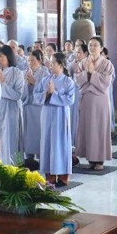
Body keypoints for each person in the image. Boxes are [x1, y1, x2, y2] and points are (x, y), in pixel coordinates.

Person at [74, 36, 114, 170]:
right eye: (90, 45)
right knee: (88, 128)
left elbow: (106, 82)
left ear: (101, 48)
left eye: (95, 45)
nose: (92, 47)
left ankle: (99, 160)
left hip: (100, 100)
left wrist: (92, 73)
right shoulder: (83, 62)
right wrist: (87, 74)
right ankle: (90, 159)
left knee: (99, 128)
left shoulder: (107, 64)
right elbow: (77, 79)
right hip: (87, 99)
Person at [37, 52, 75, 186]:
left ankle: (63, 175)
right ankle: (50, 175)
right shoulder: (45, 80)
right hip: (47, 115)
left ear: (60, 65)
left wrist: (54, 93)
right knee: (47, 142)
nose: (50, 65)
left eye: (53, 63)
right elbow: (36, 96)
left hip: (61, 116)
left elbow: (70, 100)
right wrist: (47, 93)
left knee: (61, 143)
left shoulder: (68, 81)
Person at [22, 50, 47, 167]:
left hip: (38, 108)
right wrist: (26, 85)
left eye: (33, 60)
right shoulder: (25, 72)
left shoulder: (44, 73)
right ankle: (29, 158)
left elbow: (46, 91)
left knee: (38, 132)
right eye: (29, 60)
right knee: (27, 133)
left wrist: (34, 82)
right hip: (27, 105)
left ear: (40, 61)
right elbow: (21, 89)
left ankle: (41, 158)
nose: (30, 63)